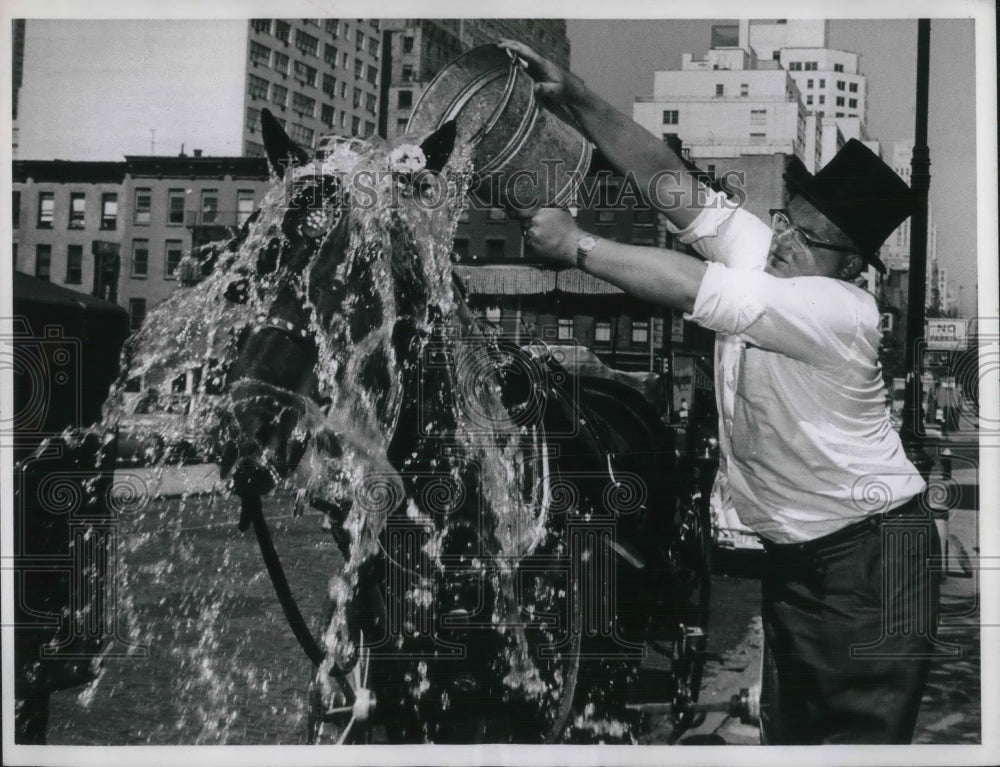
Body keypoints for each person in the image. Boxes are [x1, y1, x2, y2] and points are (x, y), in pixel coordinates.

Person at [499, 39, 940, 745]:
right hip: (800, 561)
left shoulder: (837, 310)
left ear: (849, 264)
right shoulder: (776, 255)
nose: (782, 239)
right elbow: (673, 186)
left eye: (805, 235)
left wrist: (579, 245)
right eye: (787, 218)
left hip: (874, 564)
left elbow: (688, 285)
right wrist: (578, 98)